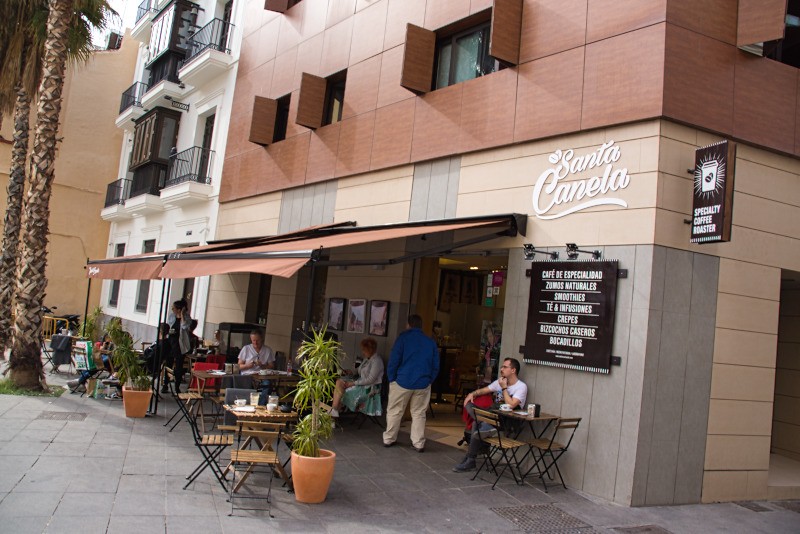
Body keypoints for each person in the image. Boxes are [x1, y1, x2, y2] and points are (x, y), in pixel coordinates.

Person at [453, 357, 527, 473]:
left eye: (505, 367)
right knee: (469, 405)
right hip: (491, 414)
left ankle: (470, 458)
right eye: (502, 367)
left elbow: (512, 404)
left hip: (505, 420)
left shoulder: (521, 386)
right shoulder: (500, 381)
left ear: (513, 370)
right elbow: (484, 390)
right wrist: (472, 394)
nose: (501, 369)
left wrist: (504, 388)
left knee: (476, 424)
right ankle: (484, 426)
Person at [382, 314, 439, 452]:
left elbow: (394, 361)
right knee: (419, 413)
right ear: (421, 326)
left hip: (402, 381)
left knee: (395, 411)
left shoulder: (402, 339)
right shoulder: (430, 342)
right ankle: (418, 443)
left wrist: (392, 378)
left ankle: (389, 438)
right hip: (423, 382)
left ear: (408, 324)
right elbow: (435, 365)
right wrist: (429, 380)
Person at [330, 337, 384, 419]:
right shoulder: (367, 359)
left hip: (369, 388)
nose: (363, 352)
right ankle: (334, 411)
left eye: (364, 350)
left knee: (343, 391)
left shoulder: (377, 361)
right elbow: (359, 371)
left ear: (370, 350)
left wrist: (353, 383)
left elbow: (370, 379)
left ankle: (333, 414)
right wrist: (351, 372)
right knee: (339, 382)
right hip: (360, 383)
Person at [167, 299, 192, 391]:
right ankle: (165, 384)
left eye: (174, 308)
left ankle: (177, 387)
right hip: (170, 343)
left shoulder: (187, 317)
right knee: (168, 365)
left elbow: (184, 326)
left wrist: (182, 315)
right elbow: (168, 326)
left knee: (179, 366)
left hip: (180, 345)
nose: (172, 309)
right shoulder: (171, 316)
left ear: (179, 309)